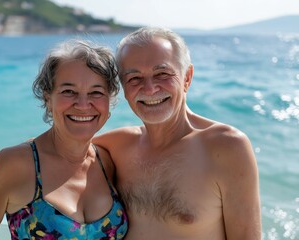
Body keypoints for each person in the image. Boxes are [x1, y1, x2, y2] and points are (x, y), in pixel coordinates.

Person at [93, 27, 261, 239]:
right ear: (124, 88)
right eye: (134, 78)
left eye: (162, 74)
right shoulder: (115, 147)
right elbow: (48, 152)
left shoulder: (226, 147)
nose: (150, 88)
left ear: (187, 78)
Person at [0, 40, 128, 240]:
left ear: (109, 102)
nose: (83, 105)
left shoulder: (107, 162)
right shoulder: (14, 164)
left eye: (96, 92)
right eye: (69, 91)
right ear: (48, 98)